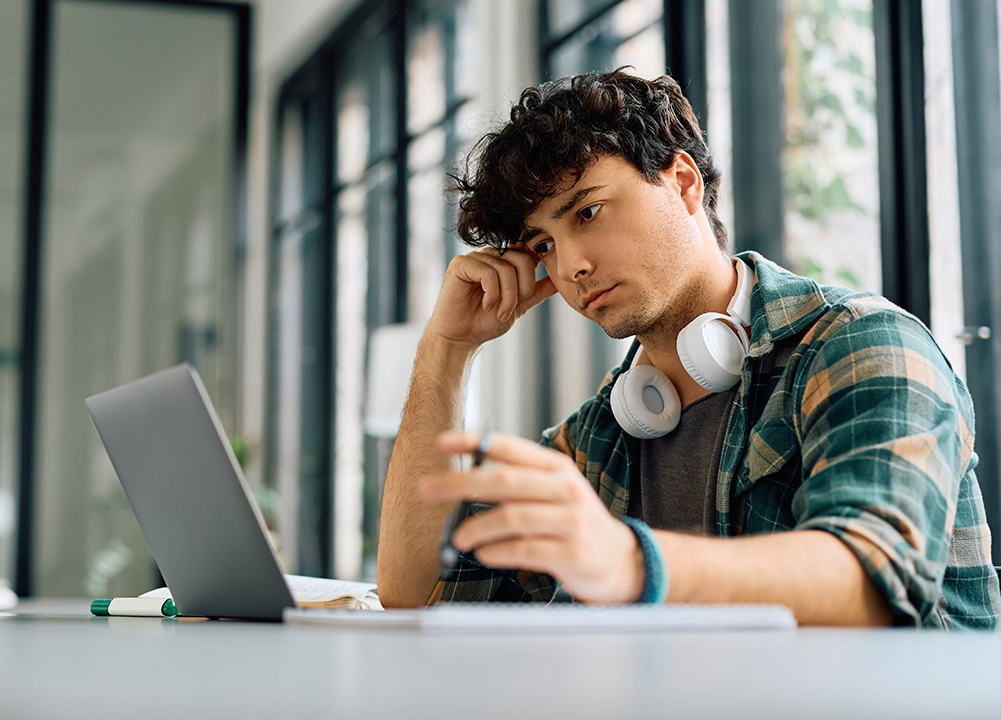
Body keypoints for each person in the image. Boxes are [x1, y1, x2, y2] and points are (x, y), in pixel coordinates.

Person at [376, 69, 1000, 628]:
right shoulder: (602, 434)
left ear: (682, 182)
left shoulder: (861, 344)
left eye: (587, 213)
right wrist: (447, 349)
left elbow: (872, 583)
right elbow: (421, 593)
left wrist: (629, 563)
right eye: (542, 245)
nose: (571, 267)